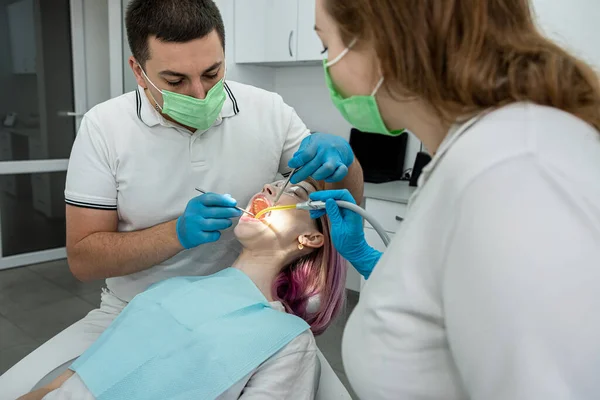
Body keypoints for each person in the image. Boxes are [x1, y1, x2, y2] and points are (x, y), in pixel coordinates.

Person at [0, 0, 363, 397]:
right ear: (138, 71)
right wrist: (175, 234)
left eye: (212, 73)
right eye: (175, 81)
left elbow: (336, 205)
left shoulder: (269, 110)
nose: (199, 92)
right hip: (133, 311)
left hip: (245, 315)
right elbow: (84, 259)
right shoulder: (104, 128)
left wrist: (346, 162)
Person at [310, 0, 600, 399]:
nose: (328, 68)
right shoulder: (474, 155)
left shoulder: (513, 174)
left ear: (385, 40)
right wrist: (370, 259)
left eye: (326, 47)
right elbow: (457, 302)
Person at [18, 178, 347, 400]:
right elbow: (75, 378)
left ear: (311, 239)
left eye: (296, 193)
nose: (272, 186)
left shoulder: (288, 339)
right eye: (274, 181)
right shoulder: (169, 290)